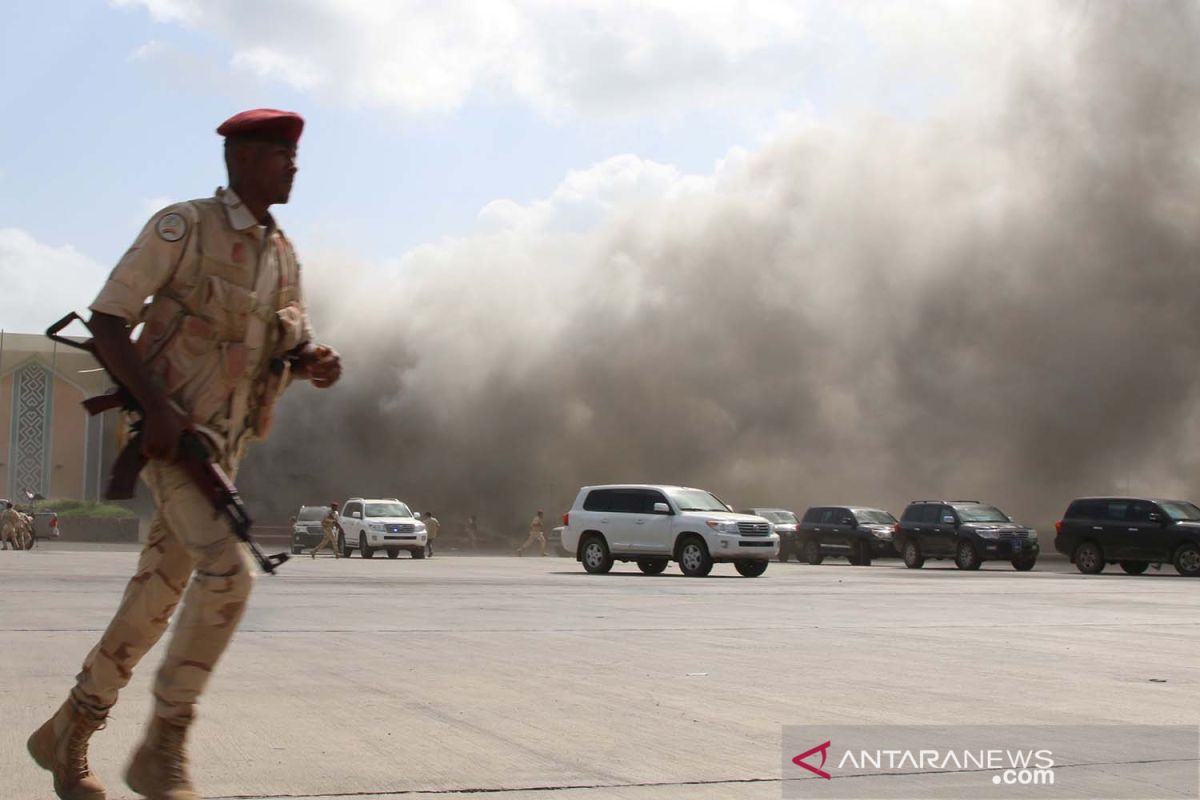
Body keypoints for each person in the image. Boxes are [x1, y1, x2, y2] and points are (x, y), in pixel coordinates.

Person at [27, 108, 341, 800]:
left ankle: (68, 730)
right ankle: (164, 744)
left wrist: (312, 359)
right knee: (231, 575)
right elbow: (109, 318)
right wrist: (160, 407)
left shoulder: (282, 254)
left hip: (222, 452)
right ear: (243, 161)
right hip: (169, 441)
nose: (294, 167)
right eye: (281, 155)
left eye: (295, 156)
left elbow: (286, 343)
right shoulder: (186, 227)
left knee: (156, 597)